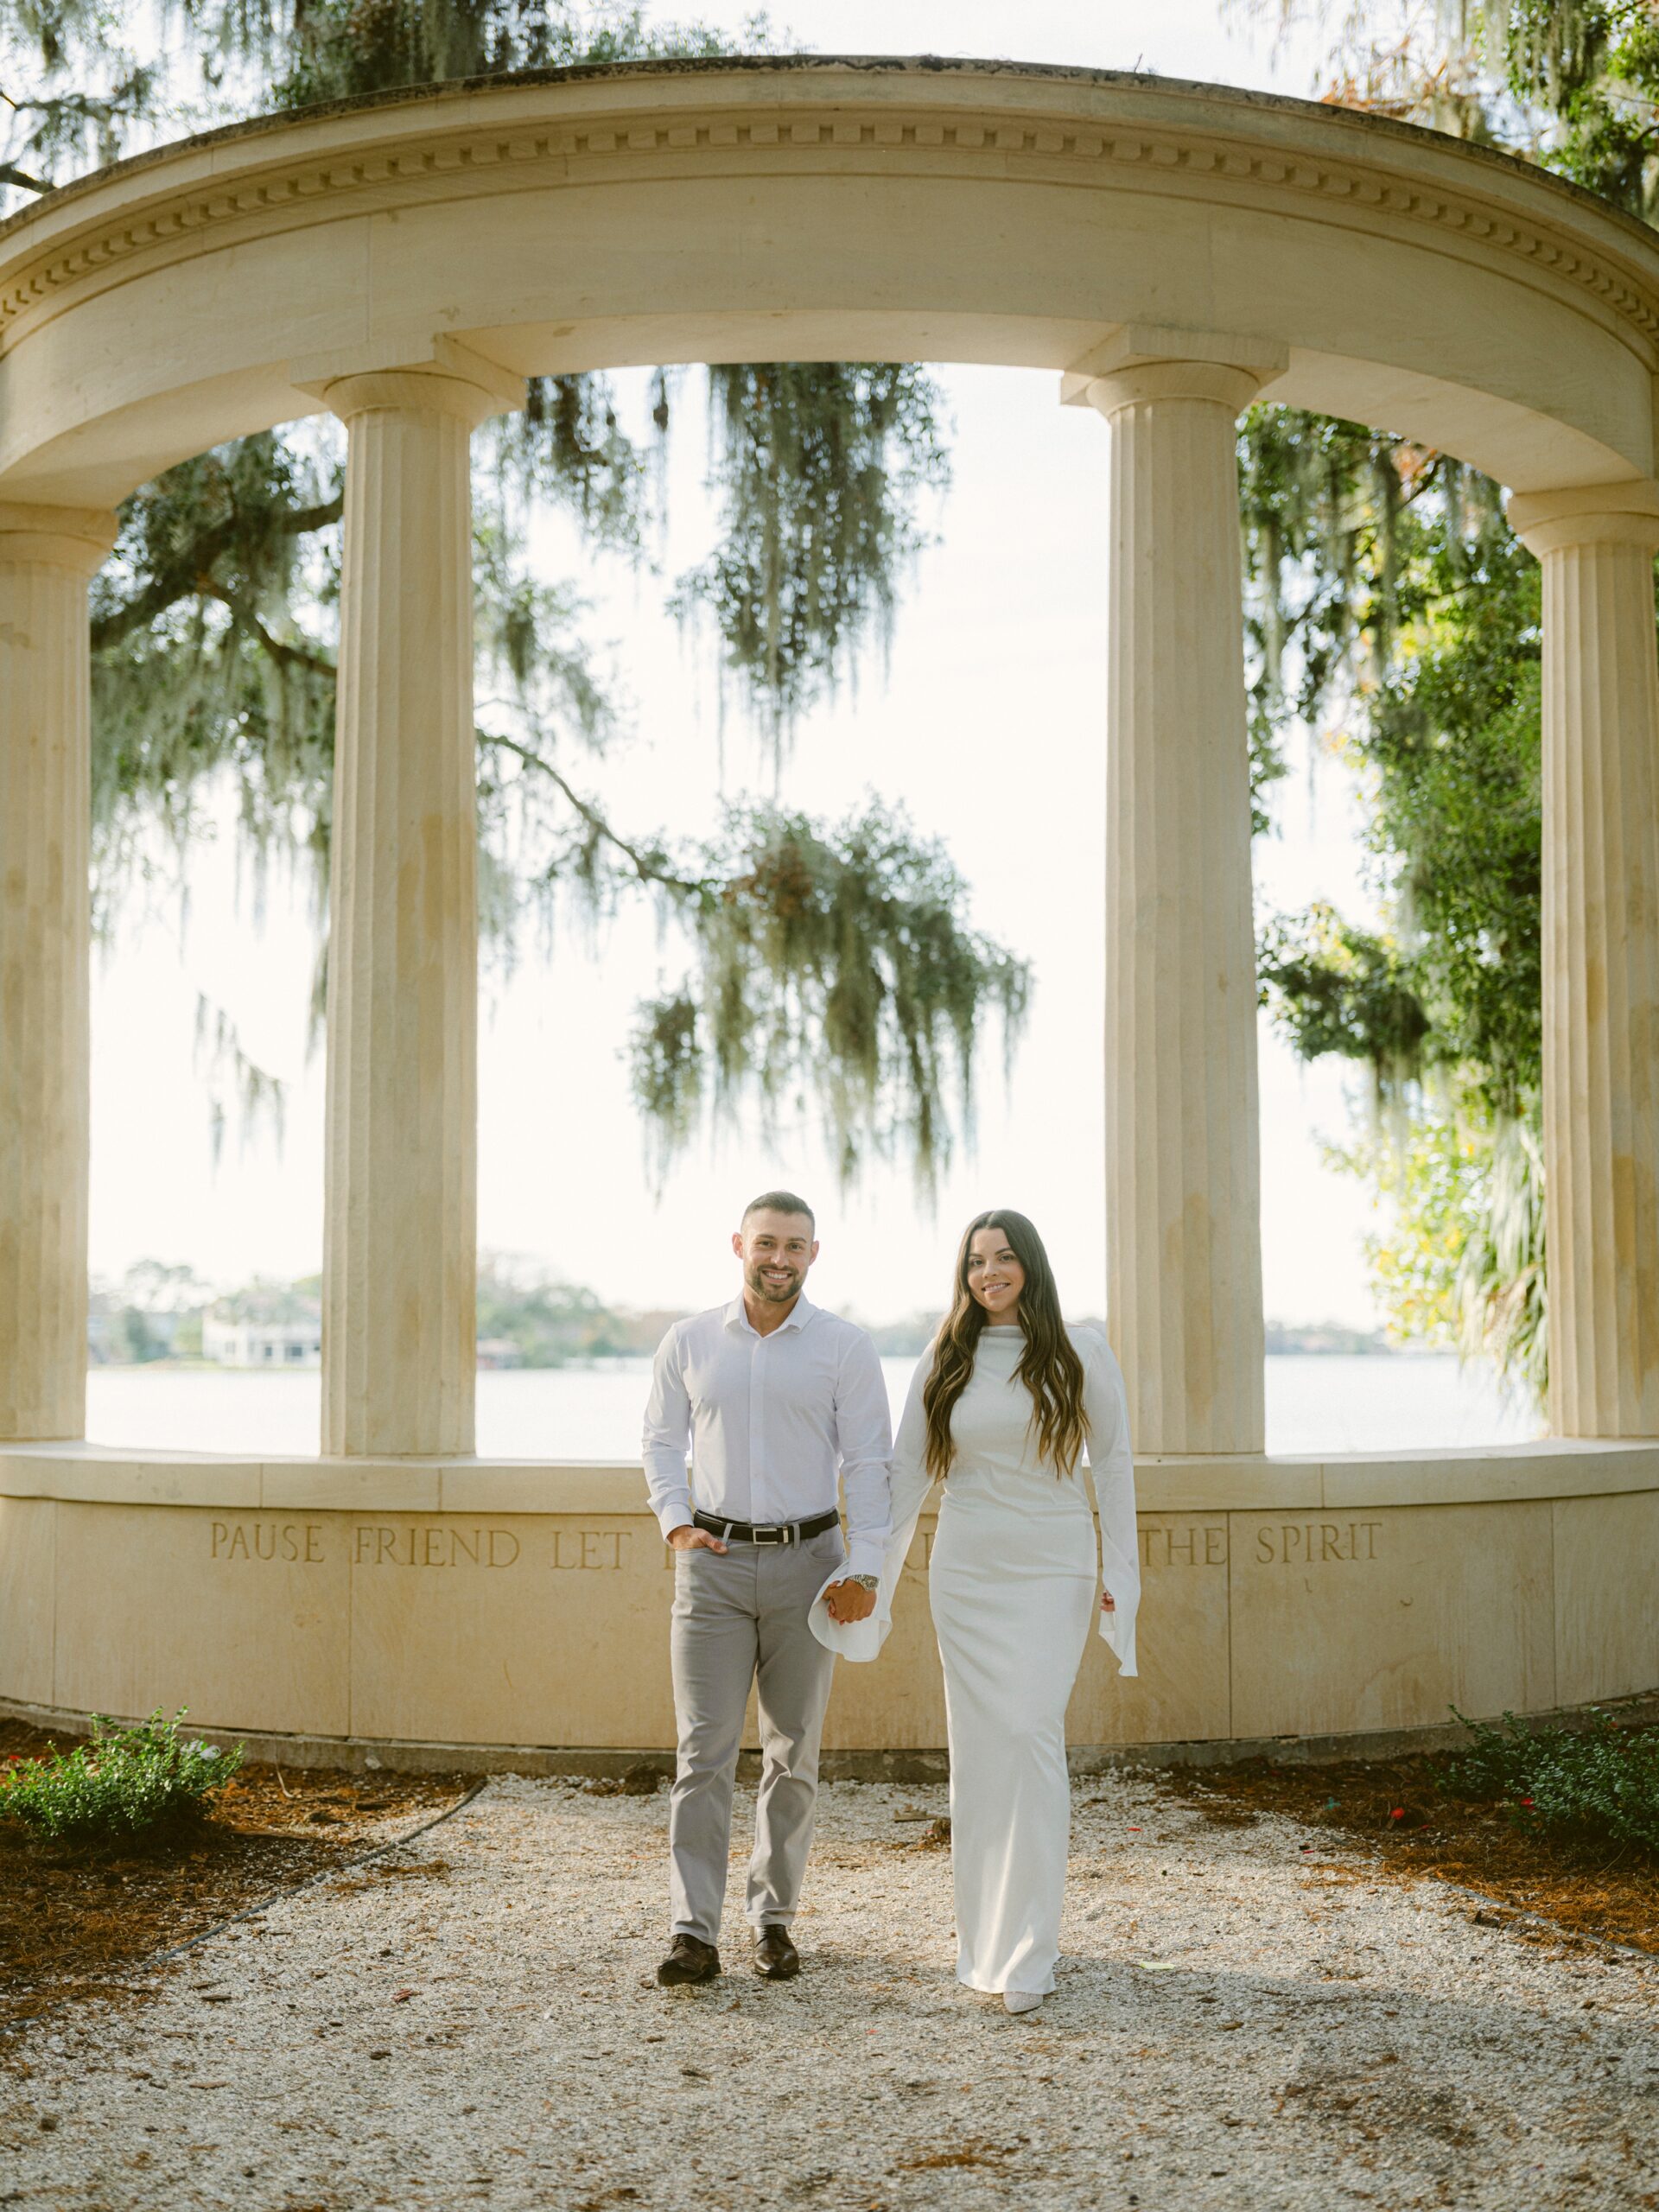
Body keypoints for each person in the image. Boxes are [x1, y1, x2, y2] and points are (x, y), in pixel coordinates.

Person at [812, 1209, 1139, 2017]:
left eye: (1002, 1257)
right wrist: (867, 1573)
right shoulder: (946, 1355)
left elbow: (1115, 1468)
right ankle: (987, 1943)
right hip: (968, 1573)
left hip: (1053, 1566)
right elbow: (907, 1474)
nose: (988, 1273)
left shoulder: (1081, 1351)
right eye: (974, 1261)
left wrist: (1123, 1575)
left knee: (1031, 1734)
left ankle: (1032, 1949)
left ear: (1031, 1264)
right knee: (984, 1756)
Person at [642, 1191, 892, 1987]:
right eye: (766, 1243)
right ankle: (693, 1933)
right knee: (702, 1754)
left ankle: (773, 1921)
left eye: (794, 1245)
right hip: (712, 1567)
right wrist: (675, 1521)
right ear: (739, 1246)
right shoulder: (688, 1341)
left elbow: (870, 1462)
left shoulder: (845, 1346)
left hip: (811, 1567)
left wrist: (864, 1567)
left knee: (793, 1752)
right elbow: (660, 1440)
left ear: (814, 1254)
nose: (779, 1258)